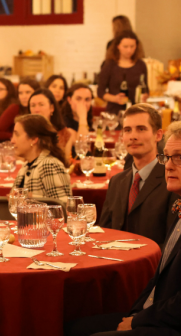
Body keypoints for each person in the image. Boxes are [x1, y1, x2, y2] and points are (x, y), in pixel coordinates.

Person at [64, 121, 181, 336]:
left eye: (179, 158)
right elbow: (158, 279)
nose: (169, 165)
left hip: (171, 325)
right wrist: (135, 314)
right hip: (155, 314)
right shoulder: (179, 206)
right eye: (166, 157)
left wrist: (138, 321)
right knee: (70, 326)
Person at [98, 104, 178, 247]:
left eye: (141, 129)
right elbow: (105, 233)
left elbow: (172, 245)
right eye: (127, 130)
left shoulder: (172, 180)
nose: (133, 136)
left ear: (158, 135)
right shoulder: (117, 181)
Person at [11, 114, 72, 203]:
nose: (12, 141)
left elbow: (63, 206)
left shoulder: (49, 165)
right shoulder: (25, 167)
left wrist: (31, 199)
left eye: (17, 135)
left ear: (34, 139)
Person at [98, 30, 148, 114]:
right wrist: (115, 98)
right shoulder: (109, 65)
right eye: (125, 46)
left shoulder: (141, 65)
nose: (129, 50)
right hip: (115, 111)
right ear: (118, 46)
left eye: (132, 46)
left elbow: (146, 88)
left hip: (136, 110)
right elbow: (100, 91)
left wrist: (145, 96)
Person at [29, 89, 76, 163]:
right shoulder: (25, 131)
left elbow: (66, 163)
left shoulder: (63, 133)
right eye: (33, 105)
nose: (36, 110)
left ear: (52, 108)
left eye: (41, 104)